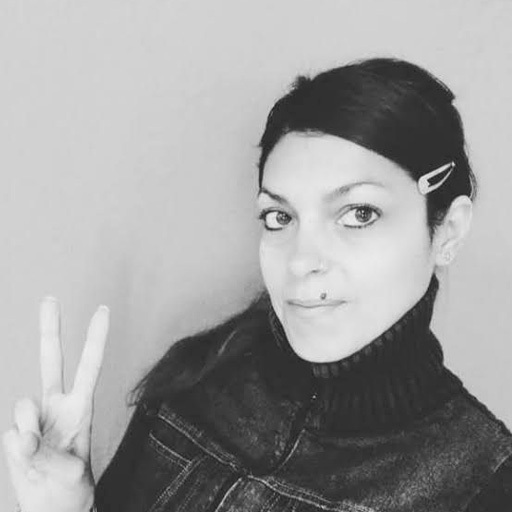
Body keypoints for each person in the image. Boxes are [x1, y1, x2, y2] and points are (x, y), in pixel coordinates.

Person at [3, 57, 512, 512]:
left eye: (359, 213)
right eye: (278, 217)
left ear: (447, 230)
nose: (302, 261)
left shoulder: (484, 481)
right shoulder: (199, 377)